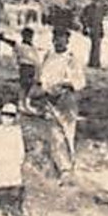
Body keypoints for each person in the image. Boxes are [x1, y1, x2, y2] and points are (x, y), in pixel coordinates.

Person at [36, 26, 86, 174]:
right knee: (53, 133)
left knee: (68, 132)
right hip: (49, 98)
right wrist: (44, 88)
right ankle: (60, 166)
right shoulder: (48, 56)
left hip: (66, 99)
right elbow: (41, 77)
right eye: (56, 38)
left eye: (62, 39)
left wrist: (66, 84)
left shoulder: (71, 59)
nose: (58, 41)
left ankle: (69, 166)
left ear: (67, 41)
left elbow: (80, 81)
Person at [0, 101, 27, 216]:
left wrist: (20, 160)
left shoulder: (16, 131)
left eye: (11, 116)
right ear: (1, 116)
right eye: (5, 115)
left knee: (15, 184)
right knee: (2, 184)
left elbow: (20, 147)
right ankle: (4, 206)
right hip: (1, 161)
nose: (7, 119)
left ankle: (16, 208)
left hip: (13, 161)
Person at [0, 25, 42, 112]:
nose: (29, 38)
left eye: (30, 36)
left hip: (32, 67)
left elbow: (36, 59)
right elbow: (12, 43)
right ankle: (20, 103)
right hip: (25, 66)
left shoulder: (32, 47)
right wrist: (3, 39)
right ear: (23, 36)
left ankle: (26, 103)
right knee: (24, 85)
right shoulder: (20, 45)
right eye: (27, 36)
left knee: (30, 86)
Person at [81, 0, 107, 69]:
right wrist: (86, 27)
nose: (97, 3)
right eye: (96, 1)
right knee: (95, 45)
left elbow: (100, 21)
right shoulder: (88, 8)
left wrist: (102, 30)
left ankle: (95, 62)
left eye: (98, 1)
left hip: (98, 28)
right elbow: (83, 18)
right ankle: (94, 63)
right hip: (91, 28)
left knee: (97, 45)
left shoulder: (100, 9)